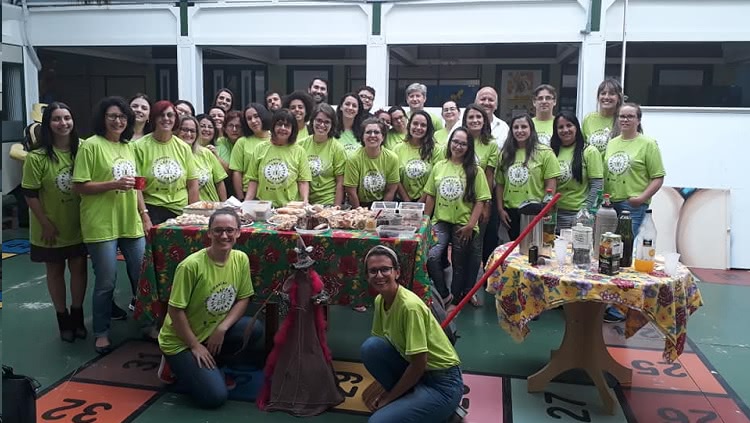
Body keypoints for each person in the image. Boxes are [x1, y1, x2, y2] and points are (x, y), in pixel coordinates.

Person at [156, 208, 264, 408]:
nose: (224, 235)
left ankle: (213, 361)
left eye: (230, 230)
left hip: (212, 329)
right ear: (209, 233)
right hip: (181, 340)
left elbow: (244, 298)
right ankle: (174, 363)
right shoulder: (190, 266)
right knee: (214, 397)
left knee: (253, 328)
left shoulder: (240, 259)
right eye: (218, 230)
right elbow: (175, 310)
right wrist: (195, 345)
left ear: (239, 232)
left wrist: (222, 329)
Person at [73, 96, 148, 354]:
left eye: (123, 117)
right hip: (101, 224)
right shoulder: (90, 146)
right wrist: (113, 185)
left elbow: (137, 185)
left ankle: (147, 323)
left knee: (141, 276)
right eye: (113, 116)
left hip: (130, 222)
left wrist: (144, 213)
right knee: (106, 280)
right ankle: (102, 332)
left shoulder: (129, 147)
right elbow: (79, 186)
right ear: (103, 118)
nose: (118, 121)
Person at [360, 245, 463, 423]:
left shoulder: (410, 307)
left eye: (385, 269)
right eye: (373, 271)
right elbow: (383, 342)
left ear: (397, 272)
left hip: (442, 383)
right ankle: (416, 401)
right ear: (367, 276)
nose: (379, 275)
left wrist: (388, 398)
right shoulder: (380, 300)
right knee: (371, 347)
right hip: (420, 374)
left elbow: (418, 364)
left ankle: (442, 408)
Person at [21, 102, 88, 342]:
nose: (63, 123)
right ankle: (63, 318)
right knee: (56, 271)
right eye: (57, 119)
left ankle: (77, 315)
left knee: (79, 269)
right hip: (49, 226)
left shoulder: (83, 149)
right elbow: (30, 193)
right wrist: (45, 223)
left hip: (79, 223)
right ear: (48, 124)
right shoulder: (37, 158)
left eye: (67, 118)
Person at [424, 128, 490, 311]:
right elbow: (430, 196)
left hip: (464, 223)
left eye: (463, 143)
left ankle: (456, 301)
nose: (458, 146)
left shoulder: (476, 171)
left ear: (468, 147)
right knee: (432, 256)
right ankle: (445, 295)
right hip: (441, 221)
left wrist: (471, 224)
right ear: (449, 142)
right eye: (455, 141)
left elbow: (481, 200)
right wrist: (425, 222)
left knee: (459, 263)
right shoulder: (439, 166)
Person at [496, 114, 561, 240]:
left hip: (535, 210)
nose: (520, 131)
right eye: (516, 127)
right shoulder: (505, 154)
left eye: (524, 127)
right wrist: (500, 209)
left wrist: (545, 210)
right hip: (511, 211)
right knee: (515, 251)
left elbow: (551, 185)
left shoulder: (545, 153)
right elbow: (500, 184)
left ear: (531, 129)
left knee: (534, 250)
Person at [134, 100, 200, 224]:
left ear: (175, 119)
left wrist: (193, 216)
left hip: (181, 212)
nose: (166, 119)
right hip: (152, 210)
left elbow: (192, 184)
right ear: (153, 118)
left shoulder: (183, 147)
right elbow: (138, 186)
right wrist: (144, 215)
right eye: (161, 115)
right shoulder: (140, 147)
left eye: (170, 115)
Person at [604, 102, 665, 235]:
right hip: (610, 204)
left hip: (632, 205)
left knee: (625, 244)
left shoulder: (648, 144)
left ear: (638, 120)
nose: (625, 120)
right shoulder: (612, 143)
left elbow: (658, 177)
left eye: (630, 116)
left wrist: (641, 198)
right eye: (622, 116)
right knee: (607, 245)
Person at [244, 109, 312, 207]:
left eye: (287, 126)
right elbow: (253, 180)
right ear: (273, 126)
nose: (283, 128)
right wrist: (246, 204)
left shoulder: (299, 151)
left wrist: (305, 201)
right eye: (279, 124)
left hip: (290, 208)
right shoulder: (260, 148)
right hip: (264, 207)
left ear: (293, 129)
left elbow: (303, 181)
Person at [549, 111, 603, 229]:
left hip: (579, 215)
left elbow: (597, 185)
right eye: (560, 127)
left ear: (577, 128)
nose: (565, 130)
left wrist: (585, 213)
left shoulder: (589, 151)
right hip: (555, 214)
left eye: (569, 125)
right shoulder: (551, 152)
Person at [344, 118, 399, 209]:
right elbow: (351, 191)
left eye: (377, 132)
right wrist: (360, 215)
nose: (372, 135)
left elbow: (391, 189)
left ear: (383, 137)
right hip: (359, 204)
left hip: (382, 204)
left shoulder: (392, 158)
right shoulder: (353, 159)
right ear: (362, 136)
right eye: (368, 132)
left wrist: (381, 212)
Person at [298, 103, 346, 206]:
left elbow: (340, 183)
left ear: (332, 125)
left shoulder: (337, 148)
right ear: (312, 121)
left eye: (327, 122)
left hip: (328, 202)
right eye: (319, 120)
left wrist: (336, 208)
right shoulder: (301, 145)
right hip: (304, 202)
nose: (322, 125)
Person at [393, 110, 443, 203]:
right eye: (415, 123)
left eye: (423, 125)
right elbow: (395, 178)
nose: (418, 127)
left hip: (428, 202)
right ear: (409, 125)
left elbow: (435, 179)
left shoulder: (436, 150)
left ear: (428, 128)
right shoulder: (397, 149)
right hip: (402, 201)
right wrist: (406, 200)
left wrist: (420, 202)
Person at [176, 115, 228, 202]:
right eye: (184, 130)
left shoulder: (206, 153)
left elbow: (219, 182)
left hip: (211, 206)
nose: (189, 134)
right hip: (184, 210)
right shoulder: (172, 154)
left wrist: (225, 206)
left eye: (192, 131)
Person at [229, 104, 272, 198]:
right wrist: (241, 198)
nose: (253, 121)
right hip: (249, 195)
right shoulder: (242, 142)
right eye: (249, 118)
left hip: (273, 193)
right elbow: (237, 172)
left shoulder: (276, 138)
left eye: (256, 116)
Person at [582, 78, 624, 154]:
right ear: (598, 97)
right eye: (603, 93)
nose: (606, 97)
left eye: (611, 94)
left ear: (619, 98)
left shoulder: (624, 120)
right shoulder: (588, 119)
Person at [335, 93, 367, 158]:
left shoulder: (363, 132)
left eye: (354, 106)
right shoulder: (331, 130)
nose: (350, 108)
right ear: (341, 107)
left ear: (358, 111)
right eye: (347, 104)